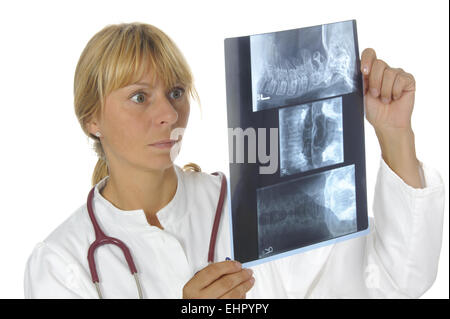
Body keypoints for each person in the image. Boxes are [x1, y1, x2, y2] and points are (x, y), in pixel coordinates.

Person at [24, 22, 445, 299]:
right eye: (139, 97)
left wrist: (394, 136)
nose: (169, 115)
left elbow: (395, 281)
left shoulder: (251, 203)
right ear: (91, 119)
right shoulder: (62, 263)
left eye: (175, 92)